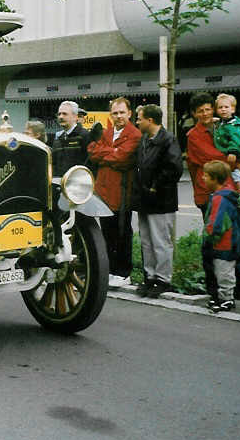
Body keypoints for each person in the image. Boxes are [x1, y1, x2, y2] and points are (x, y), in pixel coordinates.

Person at [185, 92, 240, 301]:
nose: (205, 113)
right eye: (200, 111)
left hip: (232, 193)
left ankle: (238, 284)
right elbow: (211, 160)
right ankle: (214, 289)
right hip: (209, 194)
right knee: (213, 241)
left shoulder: (223, 125)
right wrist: (236, 159)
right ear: (194, 114)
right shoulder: (193, 136)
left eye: (207, 109)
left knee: (237, 239)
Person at [87, 96, 142, 288]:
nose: (118, 116)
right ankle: (110, 270)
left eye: (121, 113)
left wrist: (104, 153)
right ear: (110, 115)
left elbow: (124, 158)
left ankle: (123, 272)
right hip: (103, 192)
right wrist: (111, 153)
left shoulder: (135, 134)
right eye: (115, 113)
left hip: (122, 192)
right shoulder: (107, 132)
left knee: (122, 233)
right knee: (106, 233)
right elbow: (92, 153)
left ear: (129, 113)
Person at [134, 104, 183, 297]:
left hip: (161, 201)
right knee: (146, 241)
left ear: (150, 120)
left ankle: (163, 279)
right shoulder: (144, 139)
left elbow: (174, 169)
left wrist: (154, 186)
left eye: (139, 118)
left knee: (161, 241)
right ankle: (150, 276)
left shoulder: (168, 140)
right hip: (145, 200)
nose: (137, 122)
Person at [201, 161, 240, 313]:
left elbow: (217, 223)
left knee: (223, 272)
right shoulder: (229, 195)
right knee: (225, 271)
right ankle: (221, 297)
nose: (203, 178)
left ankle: (226, 299)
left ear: (215, 179)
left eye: (206, 176)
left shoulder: (220, 198)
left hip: (222, 244)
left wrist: (208, 234)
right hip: (231, 242)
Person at [213, 93, 240, 205]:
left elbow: (237, 139)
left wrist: (233, 151)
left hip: (237, 152)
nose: (223, 110)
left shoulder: (234, 126)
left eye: (226, 107)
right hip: (232, 152)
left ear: (233, 109)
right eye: (220, 107)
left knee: (235, 172)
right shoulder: (224, 123)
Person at [48, 100, 90, 177]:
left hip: (78, 185)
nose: (60, 117)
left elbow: (89, 165)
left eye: (64, 114)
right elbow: (54, 164)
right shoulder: (58, 139)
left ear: (75, 117)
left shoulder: (85, 136)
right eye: (59, 114)